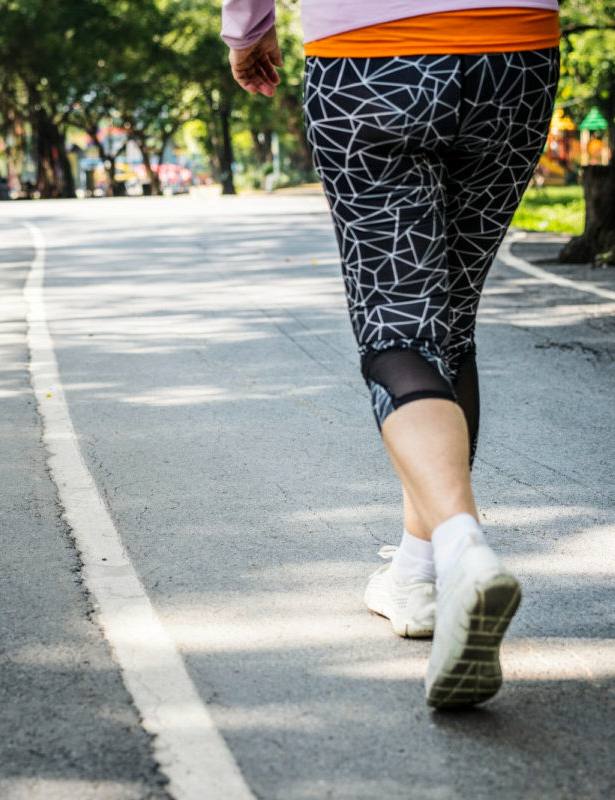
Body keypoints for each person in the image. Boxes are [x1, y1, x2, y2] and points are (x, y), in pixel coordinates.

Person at [221, 0, 560, 709]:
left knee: (399, 332)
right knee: (449, 324)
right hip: (515, 55)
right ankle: (416, 574)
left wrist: (249, 27)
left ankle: (464, 550)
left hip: (370, 58)